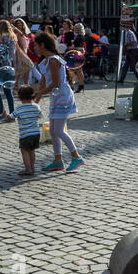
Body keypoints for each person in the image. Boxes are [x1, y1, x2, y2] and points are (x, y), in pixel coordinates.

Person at [32, 31, 83, 172]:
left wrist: (40, 93)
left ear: (42, 45)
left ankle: (76, 157)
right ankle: (58, 161)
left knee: (58, 130)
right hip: (56, 98)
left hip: (63, 97)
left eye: (36, 45)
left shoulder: (54, 60)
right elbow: (43, 83)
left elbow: (55, 84)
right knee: (53, 132)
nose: (34, 48)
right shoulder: (44, 62)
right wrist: (36, 99)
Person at [0, 20, 18, 123]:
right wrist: (15, 66)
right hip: (8, 65)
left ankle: (1, 113)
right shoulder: (13, 37)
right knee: (8, 91)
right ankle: (12, 114)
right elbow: (13, 54)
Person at [12, 85, 44, 177]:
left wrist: (6, 115)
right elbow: (40, 116)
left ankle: (28, 169)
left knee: (24, 150)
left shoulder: (19, 108)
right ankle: (32, 167)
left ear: (20, 97)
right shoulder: (36, 106)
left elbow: (11, 117)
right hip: (36, 133)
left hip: (25, 134)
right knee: (32, 150)